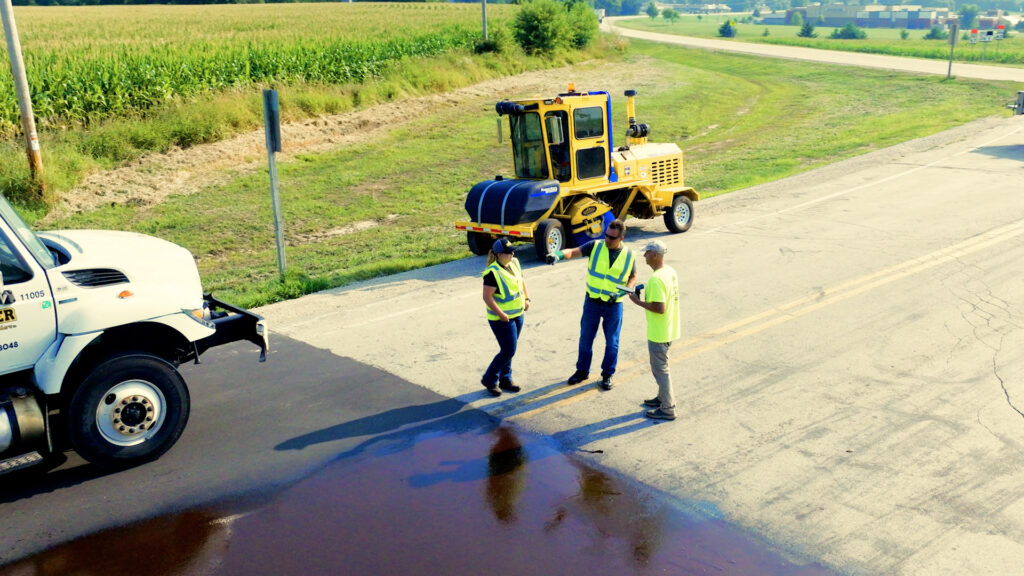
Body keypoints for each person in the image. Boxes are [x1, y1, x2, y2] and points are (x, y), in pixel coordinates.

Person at [545, 219, 636, 391]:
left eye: (611, 237)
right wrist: (557, 255)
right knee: (586, 339)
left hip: (613, 305)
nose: (607, 239)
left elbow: (633, 276)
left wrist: (626, 290)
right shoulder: (596, 246)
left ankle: (607, 374)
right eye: (606, 235)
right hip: (592, 303)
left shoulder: (629, 255)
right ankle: (582, 371)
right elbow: (573, 252)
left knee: (612, 343)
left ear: (621, 238)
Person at [628, 239, 680, 421]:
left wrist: (637, 301)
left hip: (659, 332)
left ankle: (668, 408)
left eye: (647, 253)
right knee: (661, 367)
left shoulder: (656, 279)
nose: (644, 256)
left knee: (660, 370)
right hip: (669, 328)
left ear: (655, 255)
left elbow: (660, 307)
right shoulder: (668, 272)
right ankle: (662, 398)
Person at [481, 238, 530, 397]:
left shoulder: (514, 262)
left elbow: (521, 281)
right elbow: (487, 297)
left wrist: (526, 299)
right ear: (499, 254)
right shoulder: (492, 272)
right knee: (509, 350)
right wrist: (501, 314)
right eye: (509, 252)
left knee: (509, 350)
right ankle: (489, 379)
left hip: (518, 314)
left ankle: (506, 379)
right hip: (502, 319)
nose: (513, 254)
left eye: (513, 251)